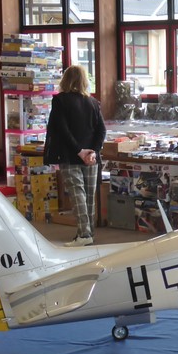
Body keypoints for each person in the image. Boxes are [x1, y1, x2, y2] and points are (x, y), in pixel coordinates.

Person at [45, 65, 106, 246]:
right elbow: (101, 130)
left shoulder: (60, 100)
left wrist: (79, 150)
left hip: (69, 155)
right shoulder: (93, 102)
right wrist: (93, 151)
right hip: (91, 158)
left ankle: (84, 235)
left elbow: (61, 129)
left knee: (77, 193)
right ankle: (89, 232)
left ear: (65, 79)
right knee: (89, 195)